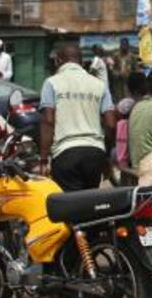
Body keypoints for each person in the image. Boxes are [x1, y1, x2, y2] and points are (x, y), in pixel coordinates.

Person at [39, 43, 117, 192]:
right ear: (81, 62)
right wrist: (106, 158)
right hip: (95, 153)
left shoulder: (51, 83)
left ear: (58, 61)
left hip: (65, 154)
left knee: (72, 208)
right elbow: (111, 124)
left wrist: (43, 159)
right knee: (90, 204)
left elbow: (48, 121)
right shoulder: (100, 85)